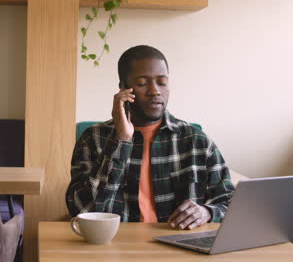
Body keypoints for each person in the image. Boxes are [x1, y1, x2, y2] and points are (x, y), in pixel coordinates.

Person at [65, 45, 234, 230]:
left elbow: (230, 203)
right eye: (143, 83)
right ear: (123, 88)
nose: (155, 91)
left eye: (162, 82)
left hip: (181, 246)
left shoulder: (197, 142)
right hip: (117, 246)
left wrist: (207, 212)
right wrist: (120, 141)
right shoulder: (93, 139)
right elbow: (82, 210)